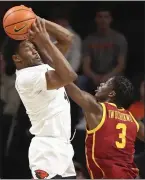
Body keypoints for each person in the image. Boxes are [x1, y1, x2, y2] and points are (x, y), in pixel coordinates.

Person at [3, 17, 77, 179]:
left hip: (61, 146)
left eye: (33, 47)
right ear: (17, 59)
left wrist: (34, 19)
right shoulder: (27, 77)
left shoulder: (42, 68)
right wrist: (45, 41)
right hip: (47, 148)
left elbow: (67, 38)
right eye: (28, 48)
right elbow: (69, 76)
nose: (34, 50)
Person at [65, 76, 144, 179]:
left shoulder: (98, 110)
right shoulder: (133, 119)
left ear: (111, 94)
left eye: (106, 83)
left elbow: (68, 84)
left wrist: (49, 66)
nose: (101, 84)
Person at [79, 7, 127, 94]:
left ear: (110, 19)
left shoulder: (119, 38)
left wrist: (107, 77)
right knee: (80, 81)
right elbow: (86, 66)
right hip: (94, 76)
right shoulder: (88, 40)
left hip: (113, 75)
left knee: (120, 82)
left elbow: (121, 65)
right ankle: (83, 107)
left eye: (106, 17)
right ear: (96, 19)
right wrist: (95, 77)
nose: (103, 20)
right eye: (100, 17)